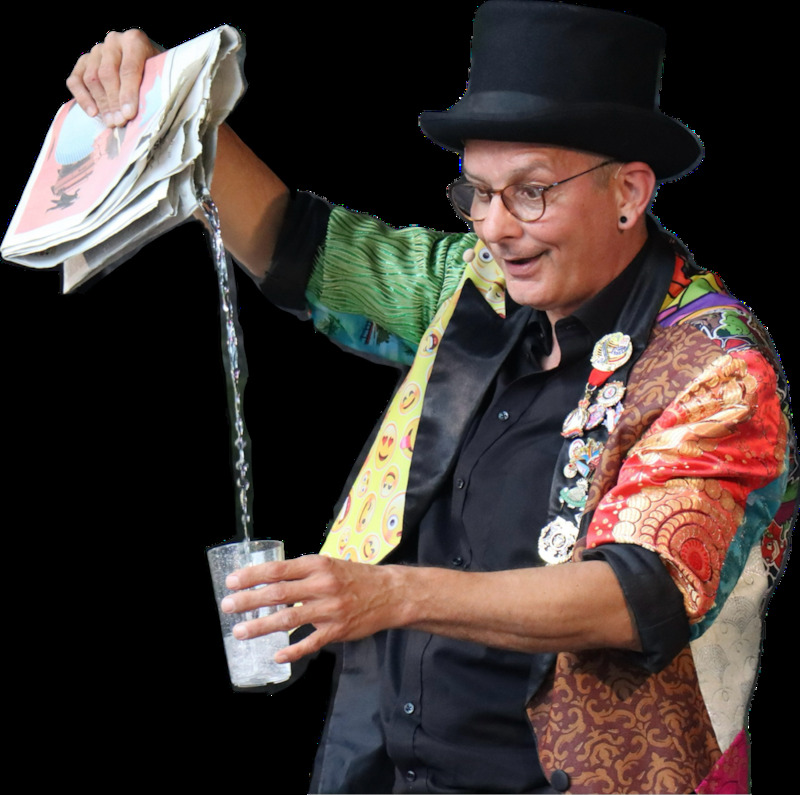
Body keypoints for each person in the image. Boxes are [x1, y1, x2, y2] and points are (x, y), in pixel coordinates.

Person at [65, 2, 796, 792]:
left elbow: (636, 592)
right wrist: (168, 93)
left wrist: (388, 594)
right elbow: (297, 248)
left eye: (531, 192)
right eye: (477, 192)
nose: (495, 228)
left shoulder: (714, 364)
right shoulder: (473, 285)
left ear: (629, 191)